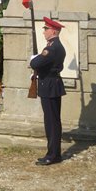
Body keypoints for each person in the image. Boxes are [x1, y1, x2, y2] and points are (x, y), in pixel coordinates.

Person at [30, 16, 66, 166]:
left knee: (51, 122)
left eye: (46, 29)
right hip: (51, 84)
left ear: (54, 31)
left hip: (50, 86)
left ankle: (52, 155)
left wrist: (35, 59)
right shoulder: (55, 46)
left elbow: (35, 62)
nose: (44, 31)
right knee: (52, 121)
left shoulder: (52, 48)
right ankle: (53, 153)